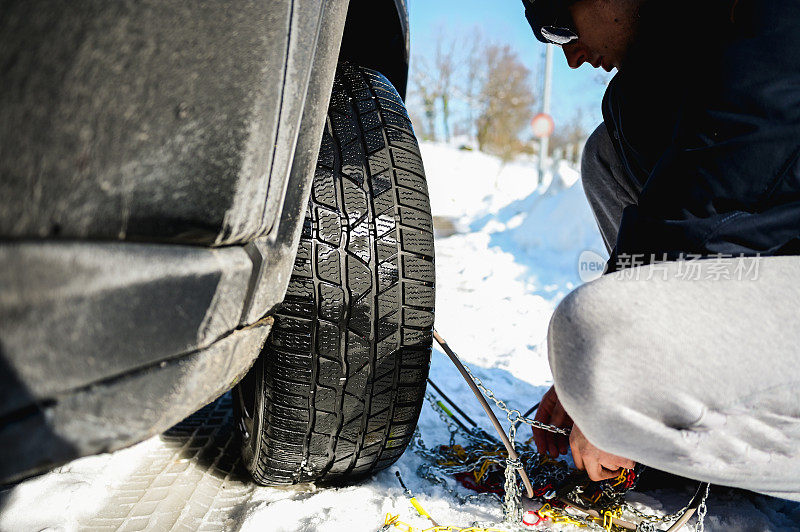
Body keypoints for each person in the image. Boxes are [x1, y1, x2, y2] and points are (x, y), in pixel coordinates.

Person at [522, 0, 800, 501]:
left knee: (589, 337)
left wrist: (619, 377)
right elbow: (679, 211)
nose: (571, 56)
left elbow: (722, 189)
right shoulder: (671, 69)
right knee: (604, 152)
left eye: (558, 25)